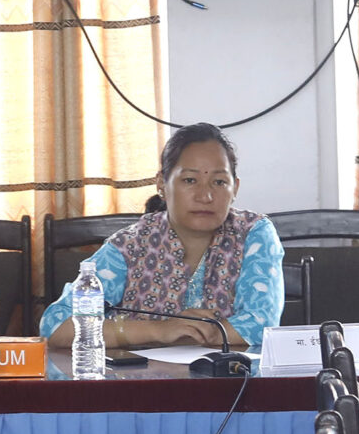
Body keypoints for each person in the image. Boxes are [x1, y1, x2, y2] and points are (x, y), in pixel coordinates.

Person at [40, 123, 287, 351]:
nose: (206, 196)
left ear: (236, 188)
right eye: (190, 180)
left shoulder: (253, 233)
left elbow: (262, 323)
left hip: (233, 381)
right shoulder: (130, 245)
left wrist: (202, 333)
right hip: (142, 382)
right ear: (161, 184)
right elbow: (56, 325)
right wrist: (159, 331)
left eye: (219, 182)